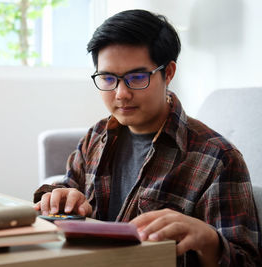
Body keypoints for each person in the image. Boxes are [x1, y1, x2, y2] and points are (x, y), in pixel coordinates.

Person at [33, 9, 261, 266]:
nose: (121, 94)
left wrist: (209, 240)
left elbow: (247, 261)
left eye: (137, 77)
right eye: (108, 78)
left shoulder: (218, 159)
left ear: (169, 72)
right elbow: (68, 190)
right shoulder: (96, 137)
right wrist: (61, 197)